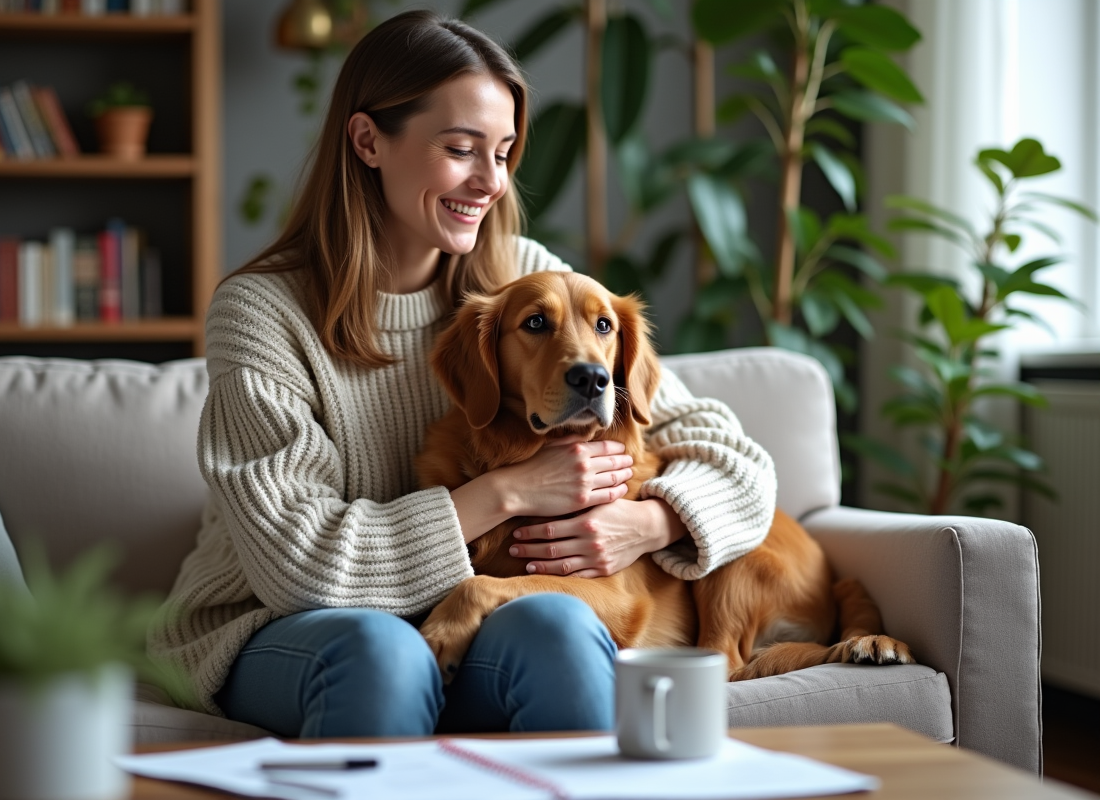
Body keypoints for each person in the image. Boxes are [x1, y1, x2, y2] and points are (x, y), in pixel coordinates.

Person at [149, 9, 776, 738]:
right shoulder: (262, 313)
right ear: (367, 141)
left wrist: (647, 522)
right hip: (277, 627)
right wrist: (507, 492)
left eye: (505, 152)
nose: (491, 181)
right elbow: (300, 565)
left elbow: (740, 466)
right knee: (381, 654)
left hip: (464, 618)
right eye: (460, 149)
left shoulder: (533, 282)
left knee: (562, 633)